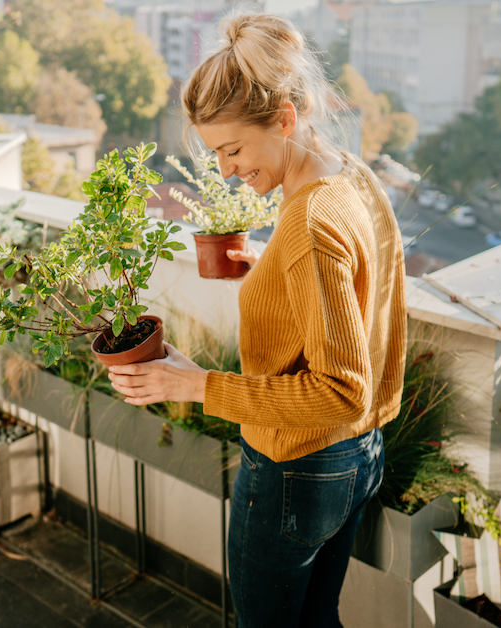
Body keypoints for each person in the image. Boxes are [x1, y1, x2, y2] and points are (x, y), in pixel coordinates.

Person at [106, 12, 407, 628]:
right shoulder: (351, 176)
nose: (224, 170)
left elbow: (339, 392)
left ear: (286, 119)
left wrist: (193, 386)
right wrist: (270, 268)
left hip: (299, 468)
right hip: (359, 458)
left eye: (233, 148)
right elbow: (357, 284)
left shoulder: (309, 224)